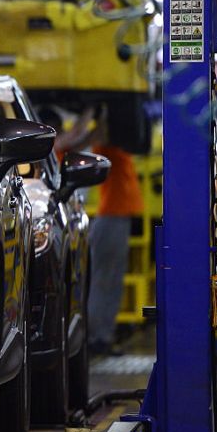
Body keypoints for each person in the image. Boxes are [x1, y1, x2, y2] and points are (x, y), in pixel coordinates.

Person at [45, 103, 143, 357]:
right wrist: (94, 110)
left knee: (105, 280)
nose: (62, 131)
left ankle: (97, 335)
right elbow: (82, 135)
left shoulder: (62, 150)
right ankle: (96, 337)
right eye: (57, 128)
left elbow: (84, 137)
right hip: (94, 219)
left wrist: (97, 114)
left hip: (93, 218)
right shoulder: (50, 148)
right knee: (103, 280)